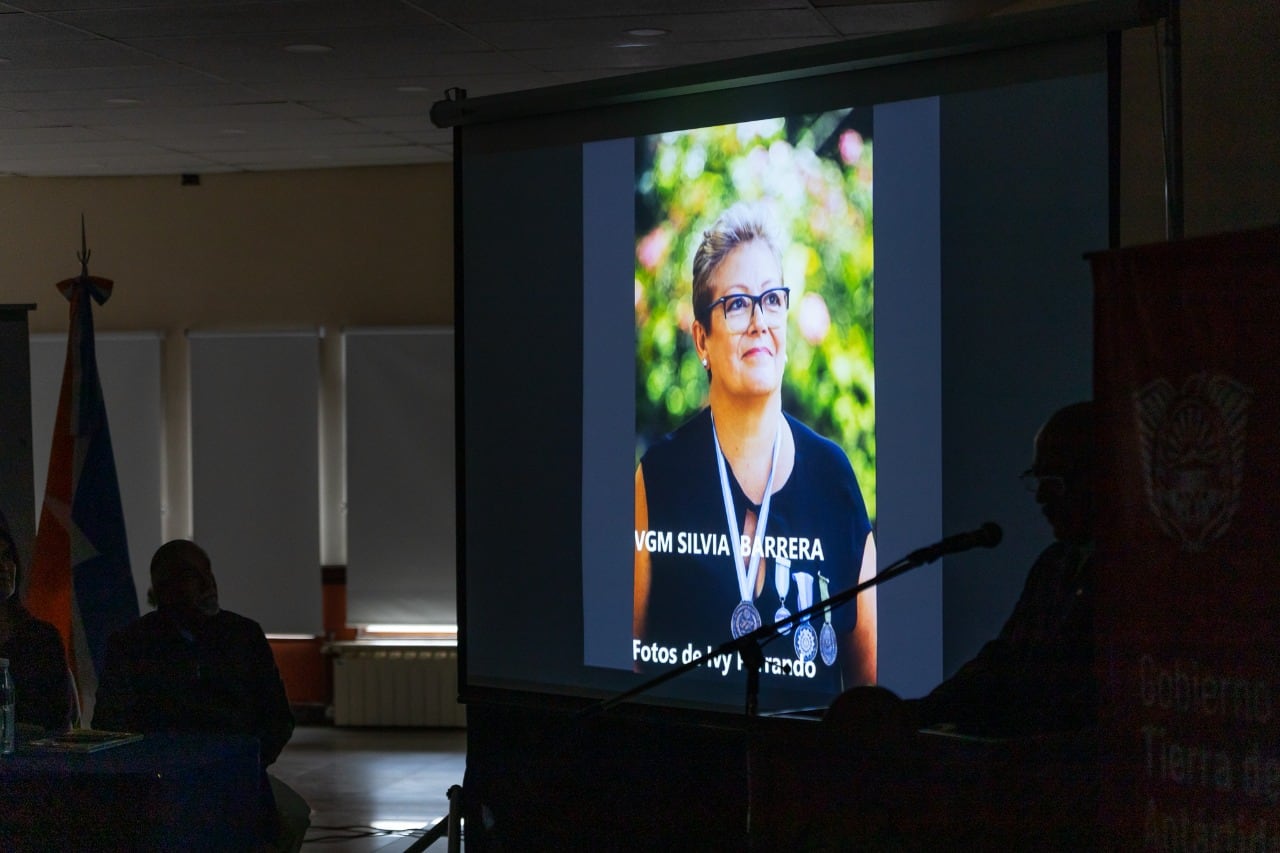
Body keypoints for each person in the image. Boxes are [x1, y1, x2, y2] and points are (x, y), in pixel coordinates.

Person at [633, 202, 877, 693]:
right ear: (702, 340)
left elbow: (867, 686)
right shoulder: (660, 476)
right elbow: (627, 663)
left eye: (772, 299)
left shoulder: (834, 478)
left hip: (805, 765)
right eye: (738, 303)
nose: (760, 321)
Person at [94, 539, 310, 852]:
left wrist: (246, 766)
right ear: (162, 590)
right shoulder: (131, 645)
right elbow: (111, 723)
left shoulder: (244, 636)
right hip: (160, 790)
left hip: (237, 783)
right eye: (191, 575)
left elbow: (277, 718)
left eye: (207, 571)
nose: (209, 584)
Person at [907, 400, 1097, 736]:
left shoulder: (1135, 577)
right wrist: (920, 712)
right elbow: (1003, 662)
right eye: (1035, 480)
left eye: (1051, 480)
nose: (1040, 497)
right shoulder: (1053, 565)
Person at [0, 523, 76, 734]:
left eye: (7, 557)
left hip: (37, 758)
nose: (4, 567)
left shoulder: (42, 638)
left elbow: (59, 718)